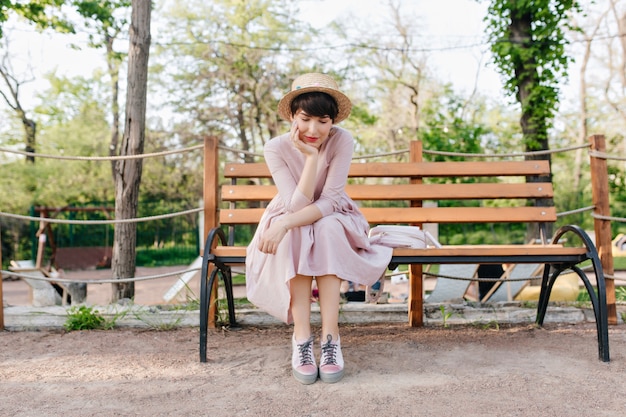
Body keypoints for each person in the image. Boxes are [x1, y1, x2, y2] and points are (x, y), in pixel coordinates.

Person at [245, 73, 393, 384]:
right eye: (306, 119)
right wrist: (310, 160)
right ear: (292, 117)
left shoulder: (342, 140)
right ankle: (301, 339)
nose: (314, 130)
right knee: (297, 230)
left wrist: (284, 223)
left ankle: (330, 339)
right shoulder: (275, 147)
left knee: (325, 228)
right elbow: (295, 206)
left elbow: (329, 202)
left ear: (333, 121)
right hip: (291, 213)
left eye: (323, 121)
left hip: (333, 215)